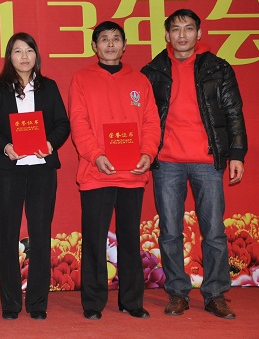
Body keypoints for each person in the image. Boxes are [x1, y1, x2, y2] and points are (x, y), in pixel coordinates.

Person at [141, 9, 247, 319]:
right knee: (170, 232)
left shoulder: (218, 68)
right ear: (167, 35)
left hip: (207, 160)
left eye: (189, 28)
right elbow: (142, 117)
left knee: (213, 231)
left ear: (199, 34)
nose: (182, 35)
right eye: (176, 29)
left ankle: (215, 294)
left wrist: (237, 154)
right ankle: (177, 293)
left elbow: (234, 112)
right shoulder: (153, 71)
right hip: (167, 161)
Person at [68, 21, 160, 321]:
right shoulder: (82, 79)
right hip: (96, 173)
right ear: (94, 46)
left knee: (130, 238)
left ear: (124, 45)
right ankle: (93, 302)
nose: (110, 44)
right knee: (95, 239)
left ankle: (131, 300)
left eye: (116, 39)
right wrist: (95, 155)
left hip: (132, 173)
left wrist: (148, 153)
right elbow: (78, 122)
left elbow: (151, 122)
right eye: (104, 39)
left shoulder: (140, 81)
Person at [0, 32, 70, 321]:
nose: (24, 56)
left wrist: (50, 143)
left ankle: (37, 302)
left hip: (42, 169)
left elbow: (62, 123)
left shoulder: (48, 87)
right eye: (18, 51)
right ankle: (10, 303)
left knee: (41, 234)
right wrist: (6, 146)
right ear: (9, 56)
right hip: (9, 170)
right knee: (8, 234)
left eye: (29, 50)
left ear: (36, 55)